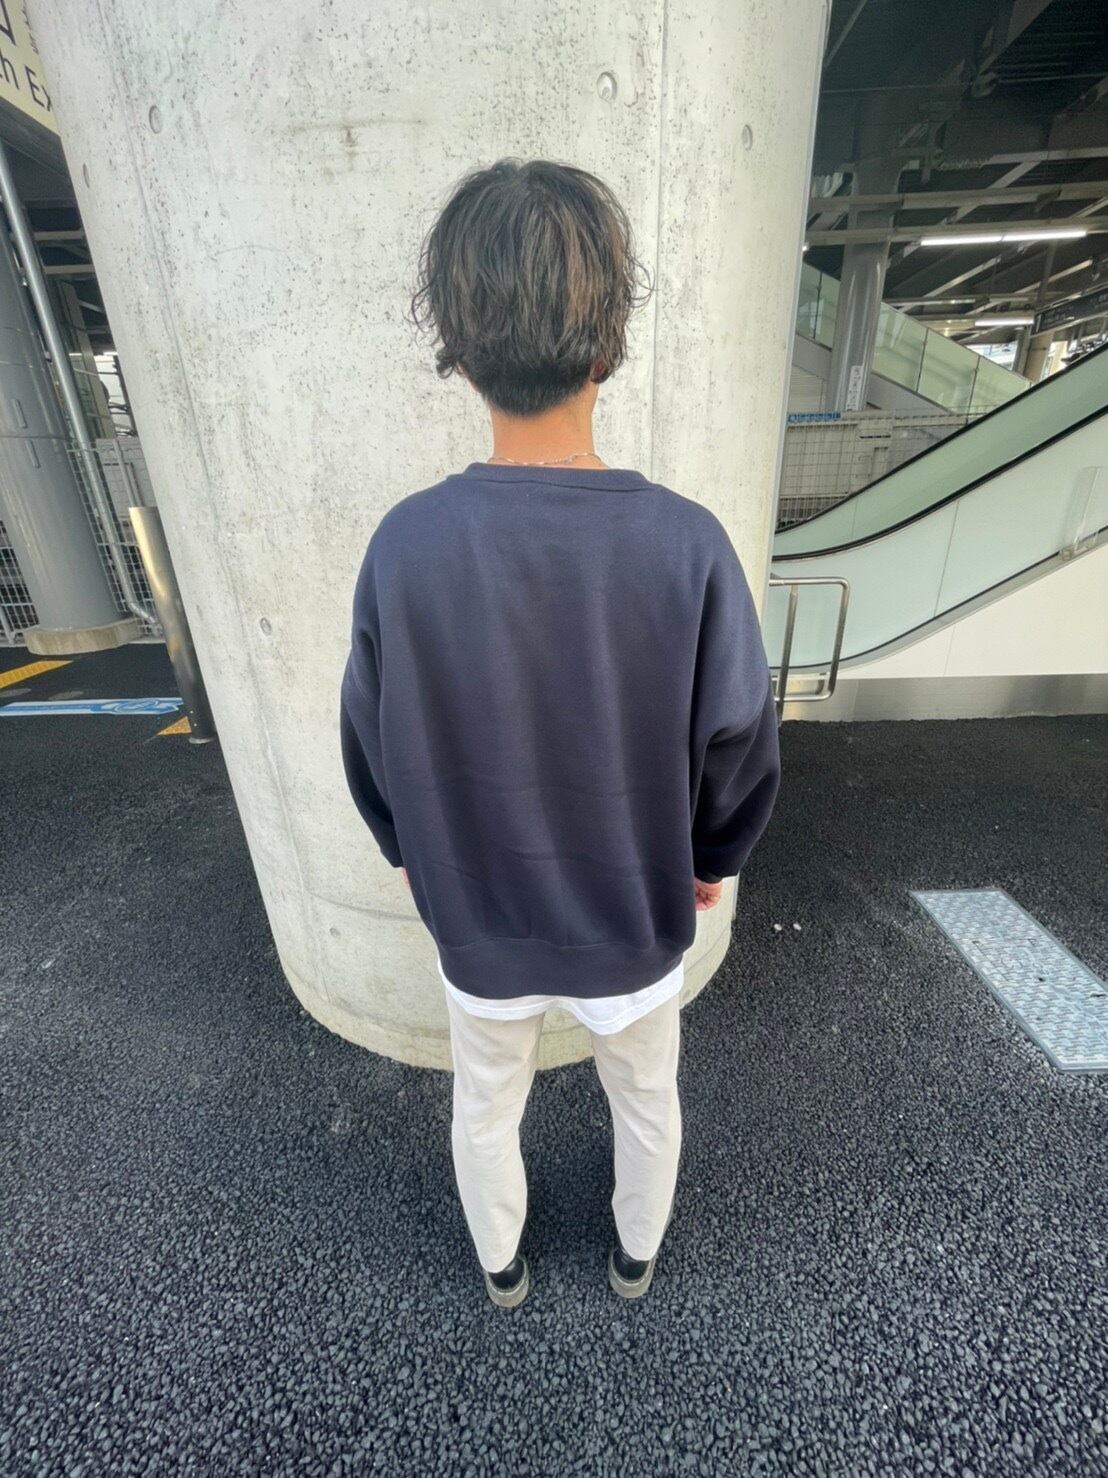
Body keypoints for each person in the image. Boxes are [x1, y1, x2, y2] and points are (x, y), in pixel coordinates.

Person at [340, 158, 781, 1309]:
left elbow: (371, 732)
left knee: (485, 1098)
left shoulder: (406, 545)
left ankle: (502, 1266)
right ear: (609, 340)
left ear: (457, 347)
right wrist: (712, 855)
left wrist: (405, 844)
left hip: (478, 911)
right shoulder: (684, 544)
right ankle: (634, 1255)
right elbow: (738, 733)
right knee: (646, 1093)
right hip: (632, 912)